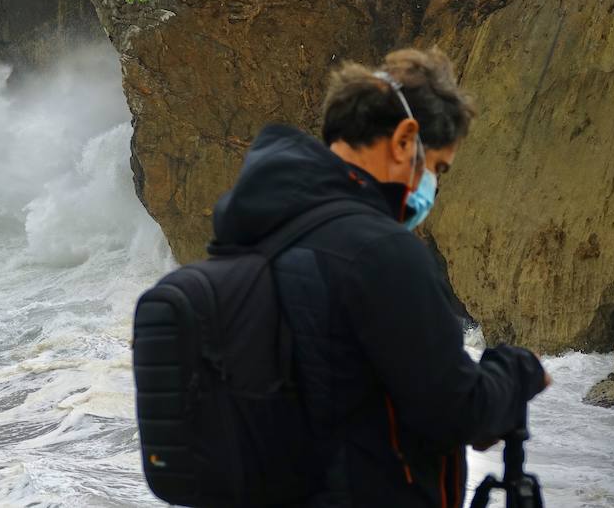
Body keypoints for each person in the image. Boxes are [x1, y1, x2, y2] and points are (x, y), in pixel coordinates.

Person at [209, 48, 549, 507]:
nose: (434, 187)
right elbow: (457, 412)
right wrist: (517, 370)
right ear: (406, 140)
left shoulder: (248, 240)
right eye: (438, 169)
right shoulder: (379, 252)